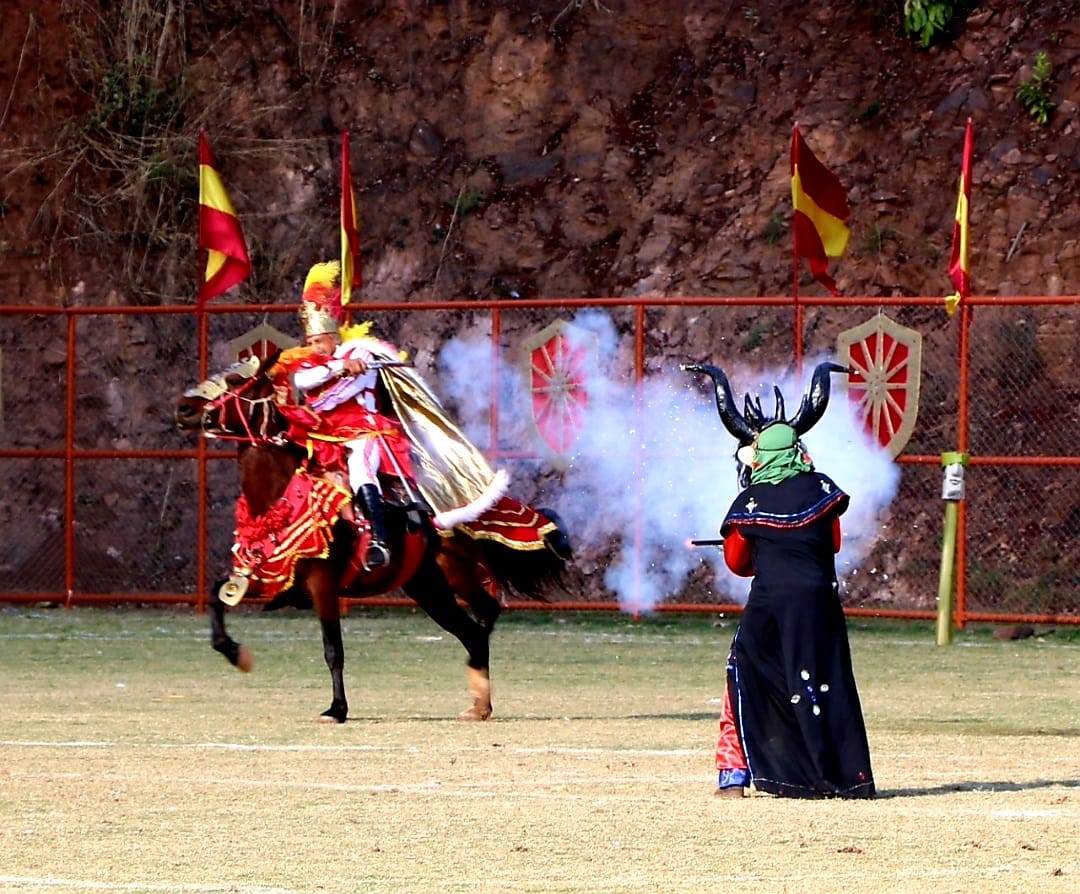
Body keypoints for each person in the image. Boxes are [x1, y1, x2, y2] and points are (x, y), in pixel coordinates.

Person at [685, 362, 875, 800]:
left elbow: (737, 563)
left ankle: (733, 775)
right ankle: (845, 781)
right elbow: (832, 543)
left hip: (771, 605)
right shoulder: (822, 490)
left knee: (744, 671)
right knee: (825, 683)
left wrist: (766, 552)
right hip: (820, 605)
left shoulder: (749, 499)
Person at [268, 261, 509, 567]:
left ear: (333, 337)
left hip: (366, 432)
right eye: (310, 343)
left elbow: (333, 398)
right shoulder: (326, 363)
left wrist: (340, 368)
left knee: (360, 470)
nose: (313, 347)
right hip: (325, 436)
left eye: (317, 341)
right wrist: (336, 368)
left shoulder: (362, 354)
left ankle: (379, 540)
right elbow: (302, 381)